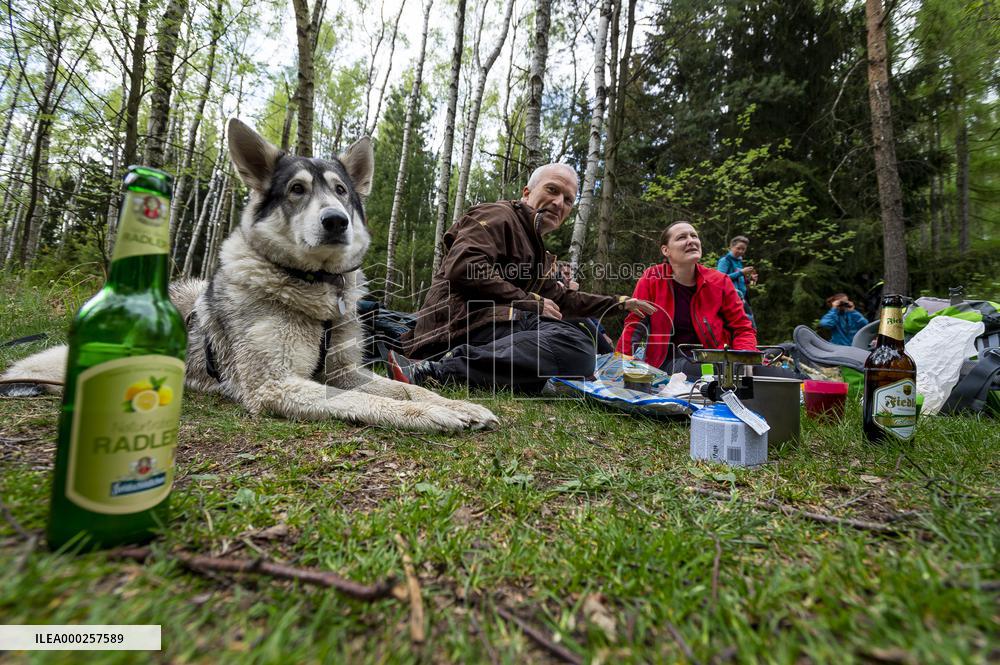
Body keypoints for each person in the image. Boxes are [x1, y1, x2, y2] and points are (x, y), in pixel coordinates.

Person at [389, 164, 655, 391]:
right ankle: (434, 370)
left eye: (568, 199)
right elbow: (464, 266)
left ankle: (520, 376)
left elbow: (563, 299)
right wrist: (527, 301)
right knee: (575, 344)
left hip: (490, 328)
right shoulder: (498, 215)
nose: (558, 202)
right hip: (457, 326)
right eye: (552, 190)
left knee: (580, 338)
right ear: (527, 193)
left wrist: (619, 303)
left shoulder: (535, 248)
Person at [616, 221, 757, 373]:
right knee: (706, 370)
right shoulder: (652, 278)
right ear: (666, 250)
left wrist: (745, 356)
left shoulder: (720, 281)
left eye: (694, 236)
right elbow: (635, 325)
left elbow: (742, 328)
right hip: (670, 363)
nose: (691, 240)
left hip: (717, 359)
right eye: (682, 237)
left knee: (775, 375)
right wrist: (619, 364)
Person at [716, 235, 757, 328]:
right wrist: (741, 272)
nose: (741, 251)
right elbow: (720, 278)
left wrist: (749, 280)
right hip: (731, 298)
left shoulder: (738, 261)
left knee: (748, 324)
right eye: (738, 248)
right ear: (731, 247)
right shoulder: (725, 260)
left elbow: (738, 280)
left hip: (742, 298)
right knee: (747, 324)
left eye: (743, 249)